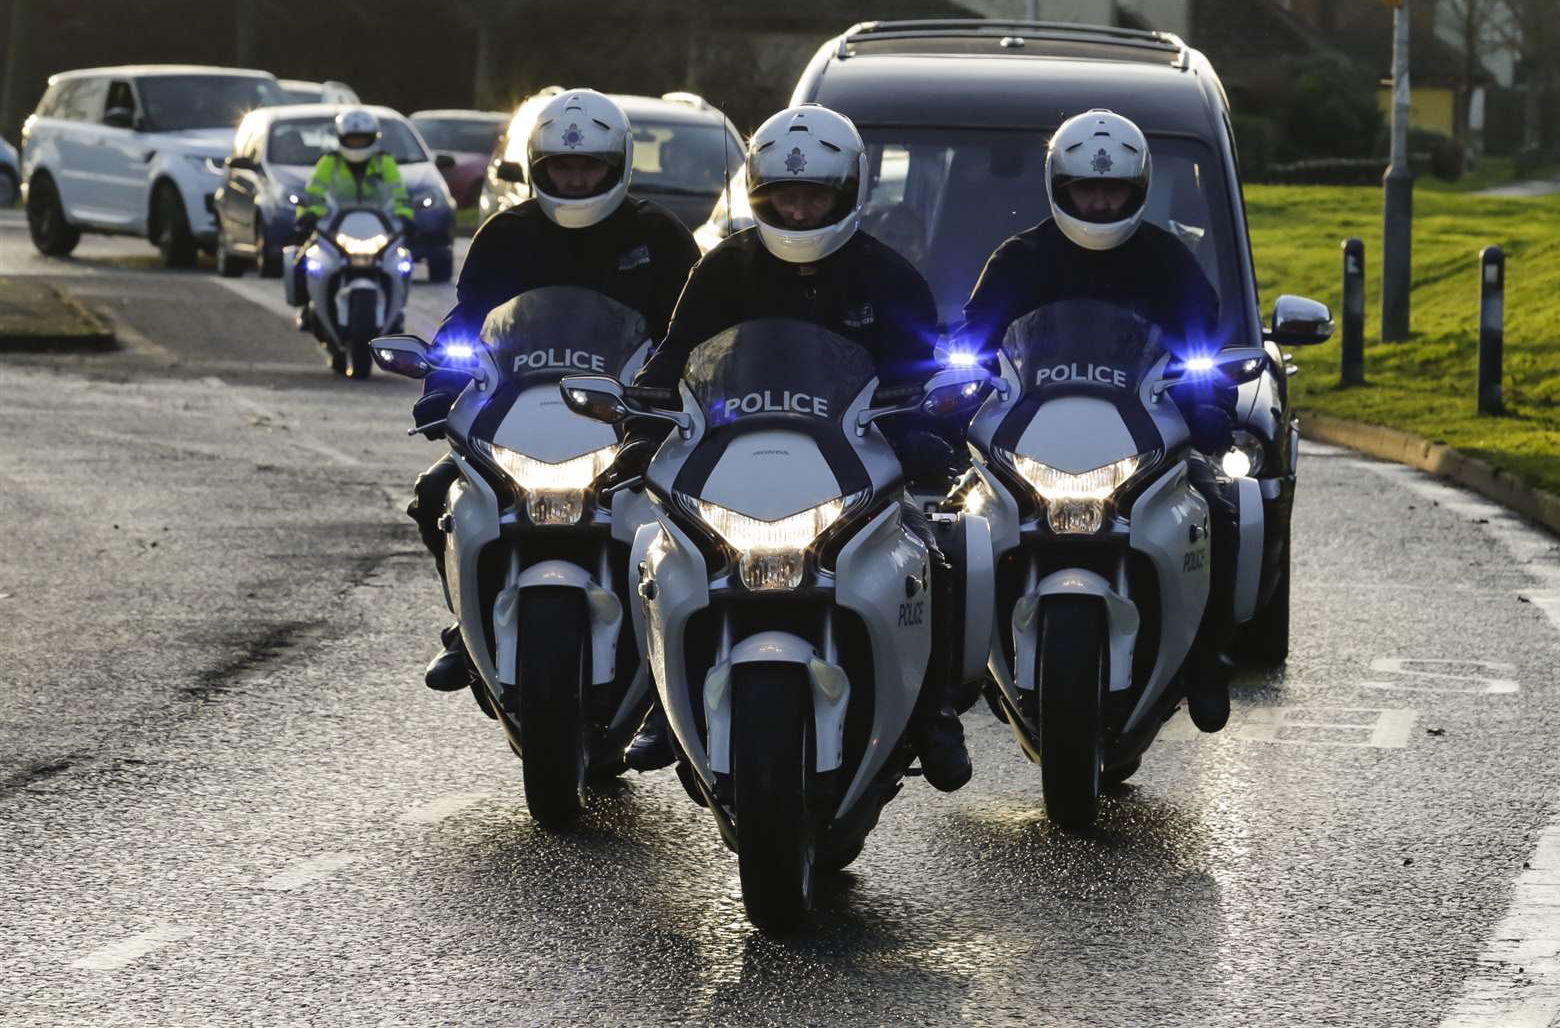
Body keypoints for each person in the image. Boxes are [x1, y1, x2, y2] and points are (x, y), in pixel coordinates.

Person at [623, 104, 973, 793]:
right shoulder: (723, 270)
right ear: (761, 193)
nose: (801, 208)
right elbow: (673, 359)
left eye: (816, 194)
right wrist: (642, 420)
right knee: (661, 556)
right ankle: (664, 708)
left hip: (857, 464)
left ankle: (934, 714)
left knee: (936, 554)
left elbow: (926, 374)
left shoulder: (889, 276)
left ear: (846, 193)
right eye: (787, 193)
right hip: (735, 462)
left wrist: (932, 430)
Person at [955, 108, 1241, 733]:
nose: (1101, 201)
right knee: (954, 525)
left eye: (1114, 189)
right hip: (1033, 433)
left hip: (1146, 433)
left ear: (1138, 189)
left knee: (1221, 509)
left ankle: (1208, 660)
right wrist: (960, 382)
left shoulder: (1169, 261)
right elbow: (974, 338)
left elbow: (1205, 342)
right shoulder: (1020, 258)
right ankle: (948, 680)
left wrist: (1206, 390)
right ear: (1060, 186)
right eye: (1088, 187)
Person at [408, 88, 700, 693]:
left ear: (616, 165)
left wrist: (689, 396)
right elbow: (468, 318)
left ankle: (675, 661)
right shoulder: (505, 235)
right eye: (561, 167)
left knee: (690, 521)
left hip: (627, 423)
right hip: (517, 412)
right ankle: (467, 630)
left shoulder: (661, 237)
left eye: (587, 165)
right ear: (539, 167)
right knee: (436, 491)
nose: (574, 179)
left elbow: (696, 334)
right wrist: (440, 378)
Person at [292, 109, 417, 345]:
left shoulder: (385, 162)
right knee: (302, 261)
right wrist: (308, 215)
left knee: (404, 263)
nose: (357, 144)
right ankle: (305, 308)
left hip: (377, 228)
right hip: (335, 227)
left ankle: (398, 310)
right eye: (352, 139)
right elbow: (315, 193)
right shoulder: (329, 162)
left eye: (362, 139)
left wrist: (406, 217)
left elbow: (398, 193)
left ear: (373, 138)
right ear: (341, 138)